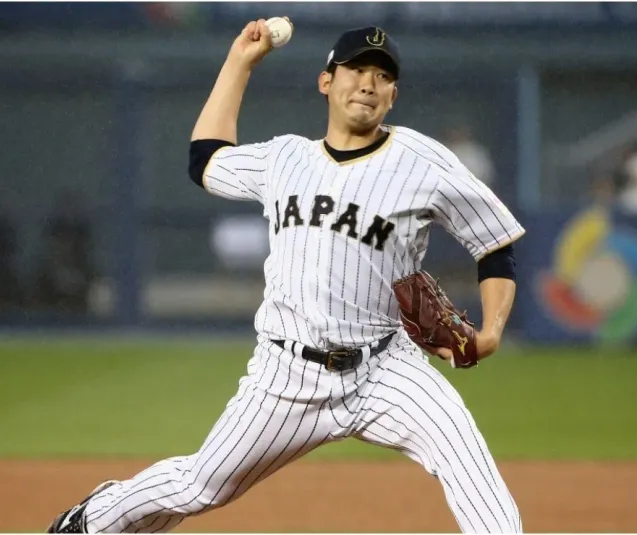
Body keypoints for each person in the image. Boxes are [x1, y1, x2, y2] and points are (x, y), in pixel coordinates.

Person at [48, 20, 525, 534]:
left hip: (386, 367)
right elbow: (205, 159)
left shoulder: (422, 161)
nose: (368, 83)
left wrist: (492, 330)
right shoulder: (284, 158)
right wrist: (239, 62)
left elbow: (494, 243)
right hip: (287, 373)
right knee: (200, 486)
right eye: (356, 69)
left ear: (393, 96)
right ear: (326, 82)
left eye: (382, 75)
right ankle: (94, 518)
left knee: (465, 459)